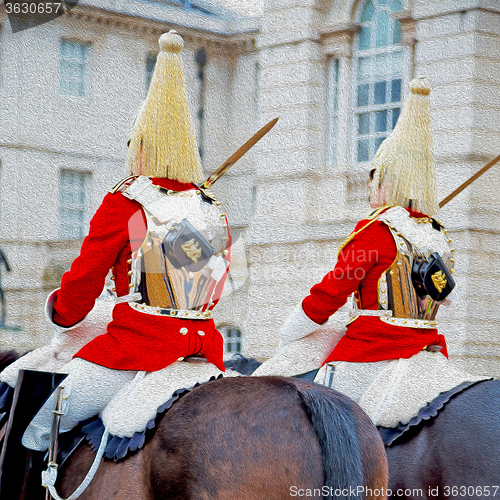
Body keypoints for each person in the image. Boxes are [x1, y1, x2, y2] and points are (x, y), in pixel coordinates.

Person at [0, 30, 232, 497]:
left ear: (142, 146)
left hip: (134, 353)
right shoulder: (210, 208)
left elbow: (82, 285)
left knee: (34, 427)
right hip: (204, 352)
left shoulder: (126, 201)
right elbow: (214, 288)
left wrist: (59, 313)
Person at [253, 77, 487, 430]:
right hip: (427, 345)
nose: (369, 190)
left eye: (373, 180)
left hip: (372, 350)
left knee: (309, 420)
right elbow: (443, 294)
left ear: (386, 181)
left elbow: (332, 291)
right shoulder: (435, 235)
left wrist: (292, 331)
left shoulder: (377, 231)